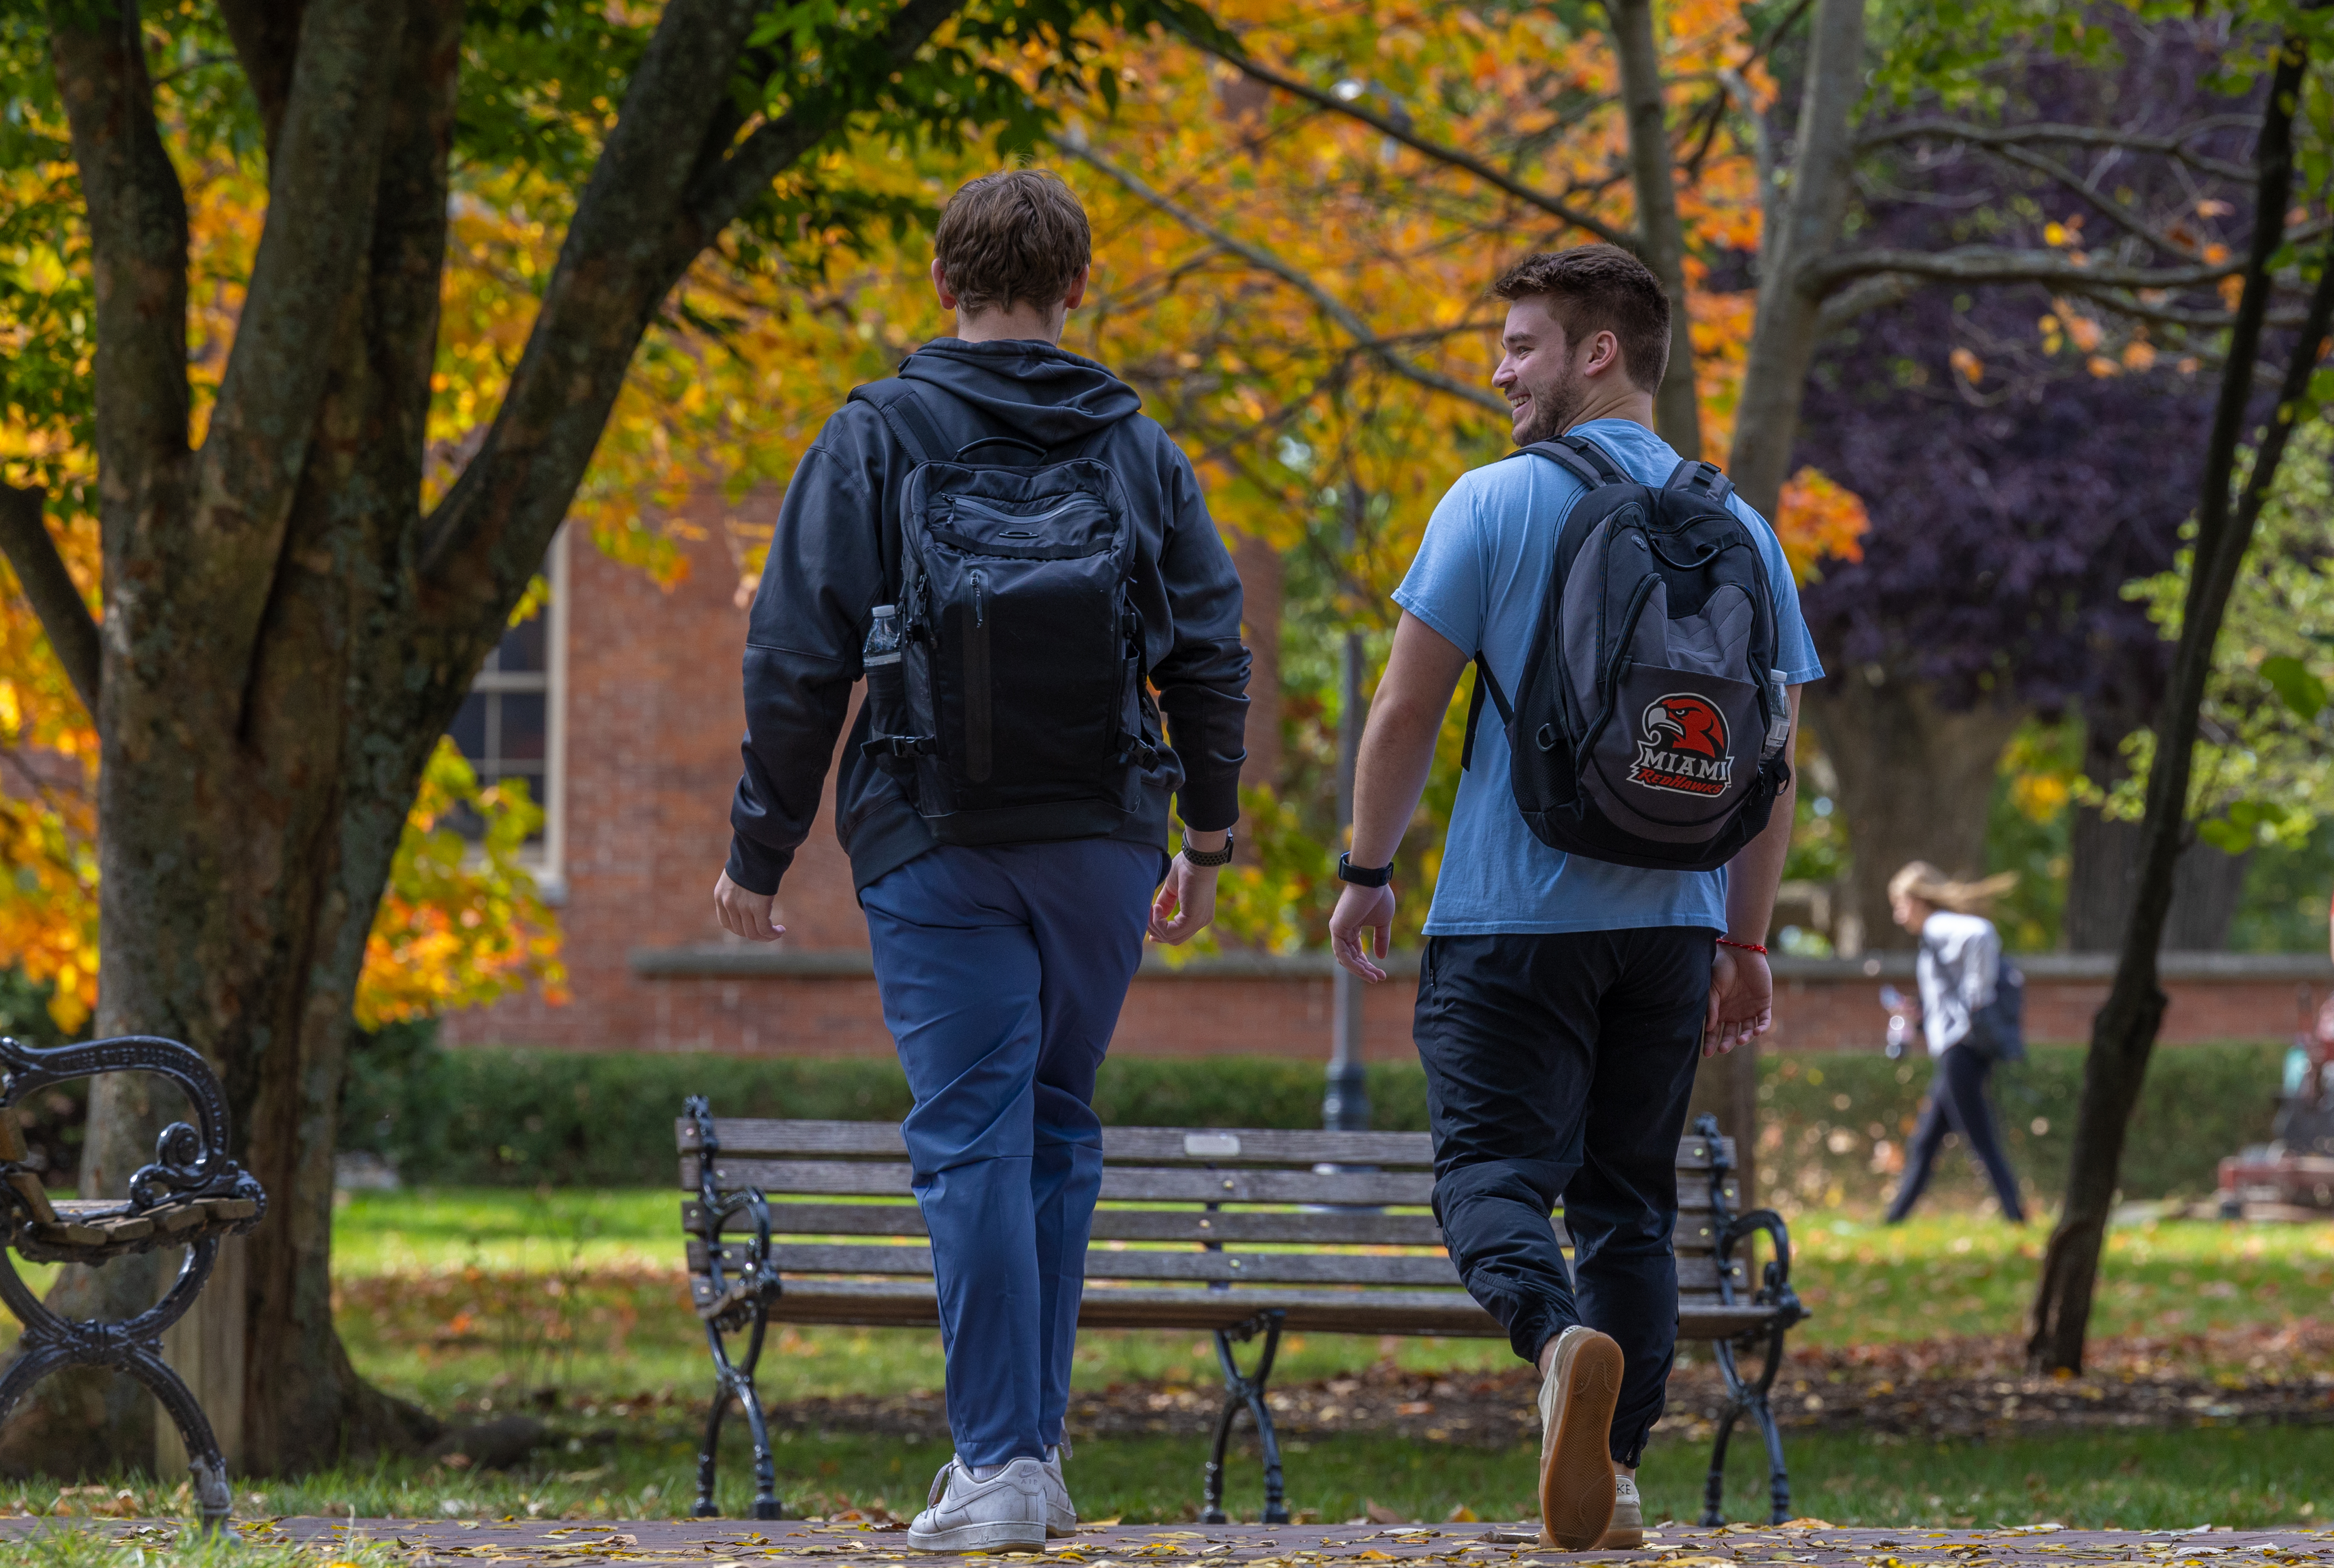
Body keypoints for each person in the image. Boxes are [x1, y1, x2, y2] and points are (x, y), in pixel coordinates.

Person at [711, 169, 1251, 1552]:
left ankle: (1000, 1456)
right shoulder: (1137, 445)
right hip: (1101, 832)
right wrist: (1205, 828)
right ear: (1077, 287)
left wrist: (758, 852)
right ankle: (1033, 1454)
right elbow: (1204, 643)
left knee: (968, 1136)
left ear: (941, 285)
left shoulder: (873, 434)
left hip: (929, 828)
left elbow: (794, 651)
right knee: (1054, 1123)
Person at [1326, 245, 1820, 1550]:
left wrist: (1366, 869)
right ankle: (1620, 1474)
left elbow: (1403, 711)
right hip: (1668, 926)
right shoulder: (1745, 528)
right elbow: (1773, 761)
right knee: (1628, 1204)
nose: (1499, 371)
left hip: (1506, 919)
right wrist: (1745, 934)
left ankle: (1554, 1349)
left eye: (1520, 345)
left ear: (1598, 351)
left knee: (1487, 1172)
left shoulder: (1488, 504)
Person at [1883, 862, 2027, 1224]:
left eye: (1900, 904)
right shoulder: (1932, 938)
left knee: (1980, 1140)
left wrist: (1975, 1000)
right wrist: (1920, 1014)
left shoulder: (1938, 926)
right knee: (1926, 1140)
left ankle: (2016, 1217)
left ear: (1917, 901)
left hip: (1961, 1048)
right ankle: (1893, 1219)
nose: (1898, 916)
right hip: (1957, 1047)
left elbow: (1980, 935)